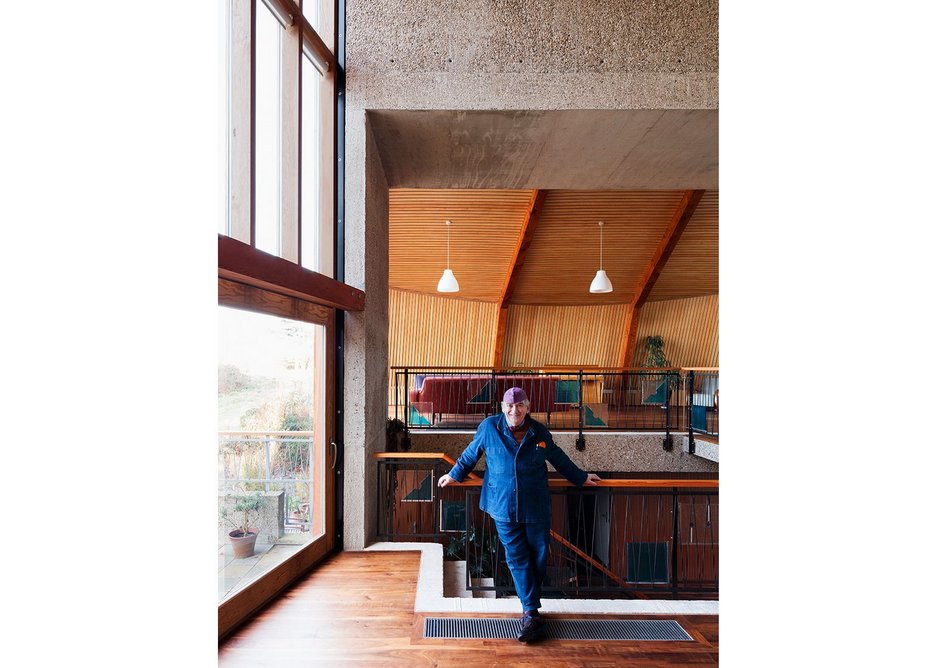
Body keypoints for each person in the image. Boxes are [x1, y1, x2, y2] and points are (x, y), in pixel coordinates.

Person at [438, 386, 601, 642]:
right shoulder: (490, 427)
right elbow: (472, 453)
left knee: (538, 555)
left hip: (535, 506)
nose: (515, 411)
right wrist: (454, 474)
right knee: (516, 556)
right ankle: (530, 613)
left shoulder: (539, 432)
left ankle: (530, 608)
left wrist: (580, 477)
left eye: (520, 406)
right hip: (502, 505)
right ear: (503, 407)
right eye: (510, 406)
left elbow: (558, 458)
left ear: (527, 407)